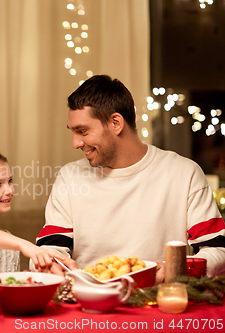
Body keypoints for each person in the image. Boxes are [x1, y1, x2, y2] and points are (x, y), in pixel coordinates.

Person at [36, 75, 225, 280]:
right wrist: (50, 263)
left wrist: (174, 268)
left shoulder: (184, 173)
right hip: (91, 303)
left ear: (116, 123)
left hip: (159, 304)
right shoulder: (69, 177)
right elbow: (51, 247)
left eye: (82, 131)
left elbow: (217, 251)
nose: (75, 143)